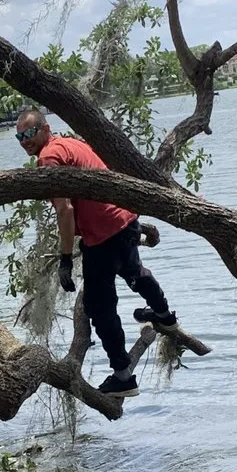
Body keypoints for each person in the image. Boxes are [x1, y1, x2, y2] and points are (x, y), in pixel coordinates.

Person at [16, 109, 177, 397]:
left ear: (45, 128)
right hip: (125, 220)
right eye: (19, 136)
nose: (24, 140)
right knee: (135, 272)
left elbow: (64, 211)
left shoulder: (49, 157)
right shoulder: (71, 143)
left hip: (102, 237)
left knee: (100, 309)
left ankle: (123, 376)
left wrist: (65, 260)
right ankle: (165, 315)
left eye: (29, 133)